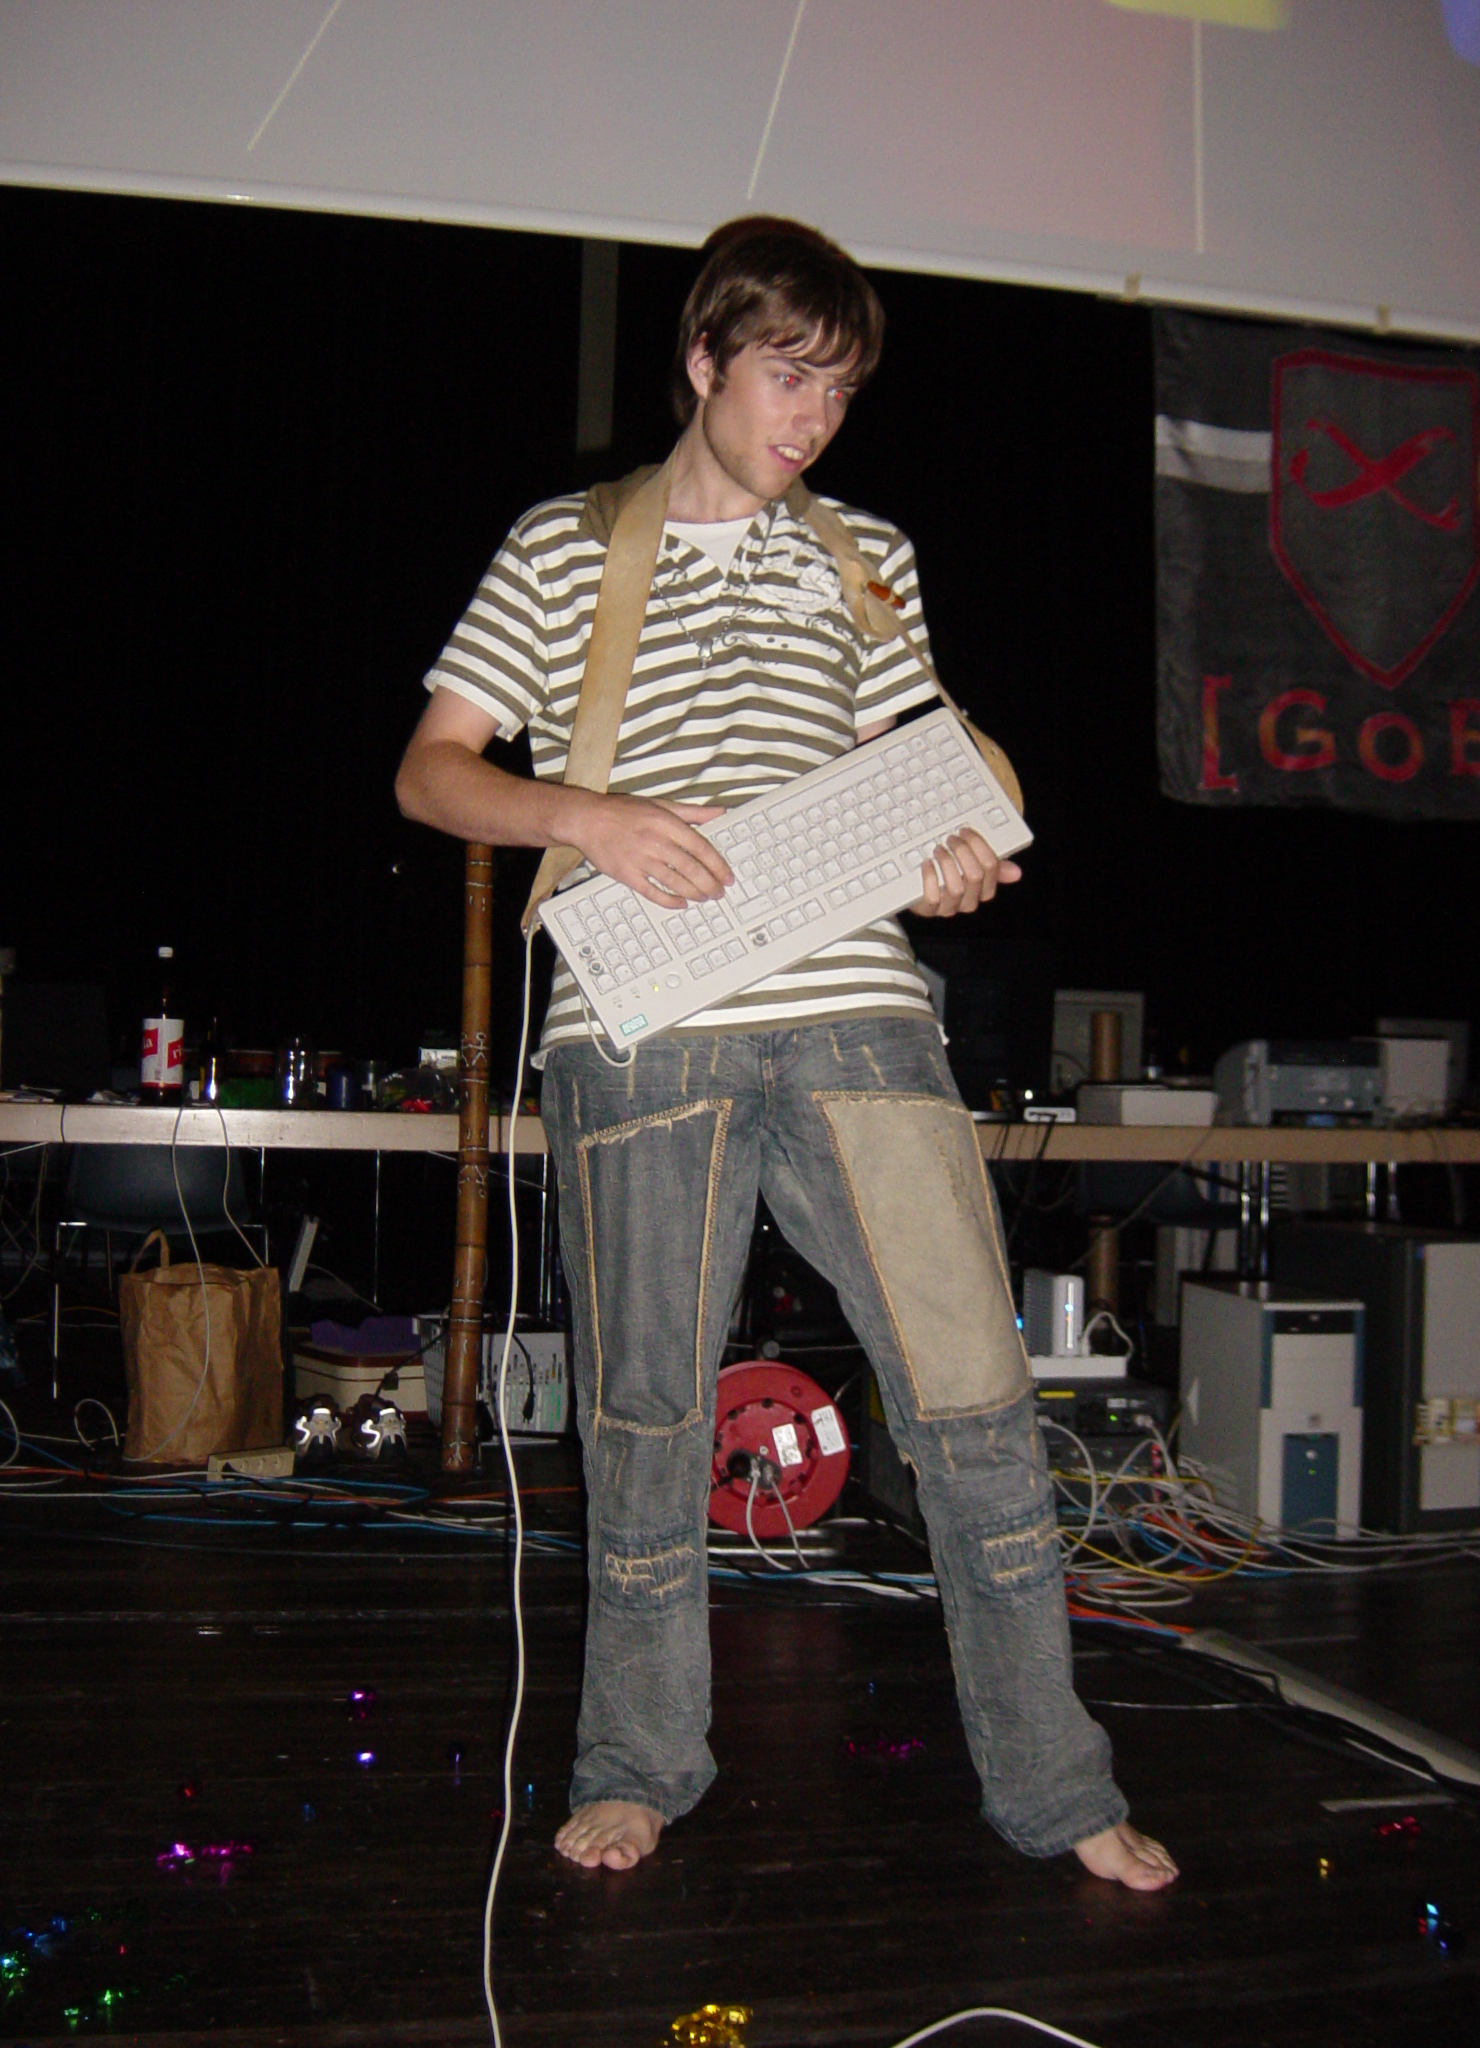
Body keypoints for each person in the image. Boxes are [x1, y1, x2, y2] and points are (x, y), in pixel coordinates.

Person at [396, 217, 1177, 1893]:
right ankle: (637, 1766)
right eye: (786, 375)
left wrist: (949, 858)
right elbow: (433, 769)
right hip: (641, 1026)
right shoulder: (565, 543)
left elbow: (916, 766)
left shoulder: (867, 551)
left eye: (839, 389)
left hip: (858, 1014)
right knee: (647, 1417)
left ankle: (1057, 1787)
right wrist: (588, 815)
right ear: (704, 359)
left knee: (976, 1403)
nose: (814, 416)